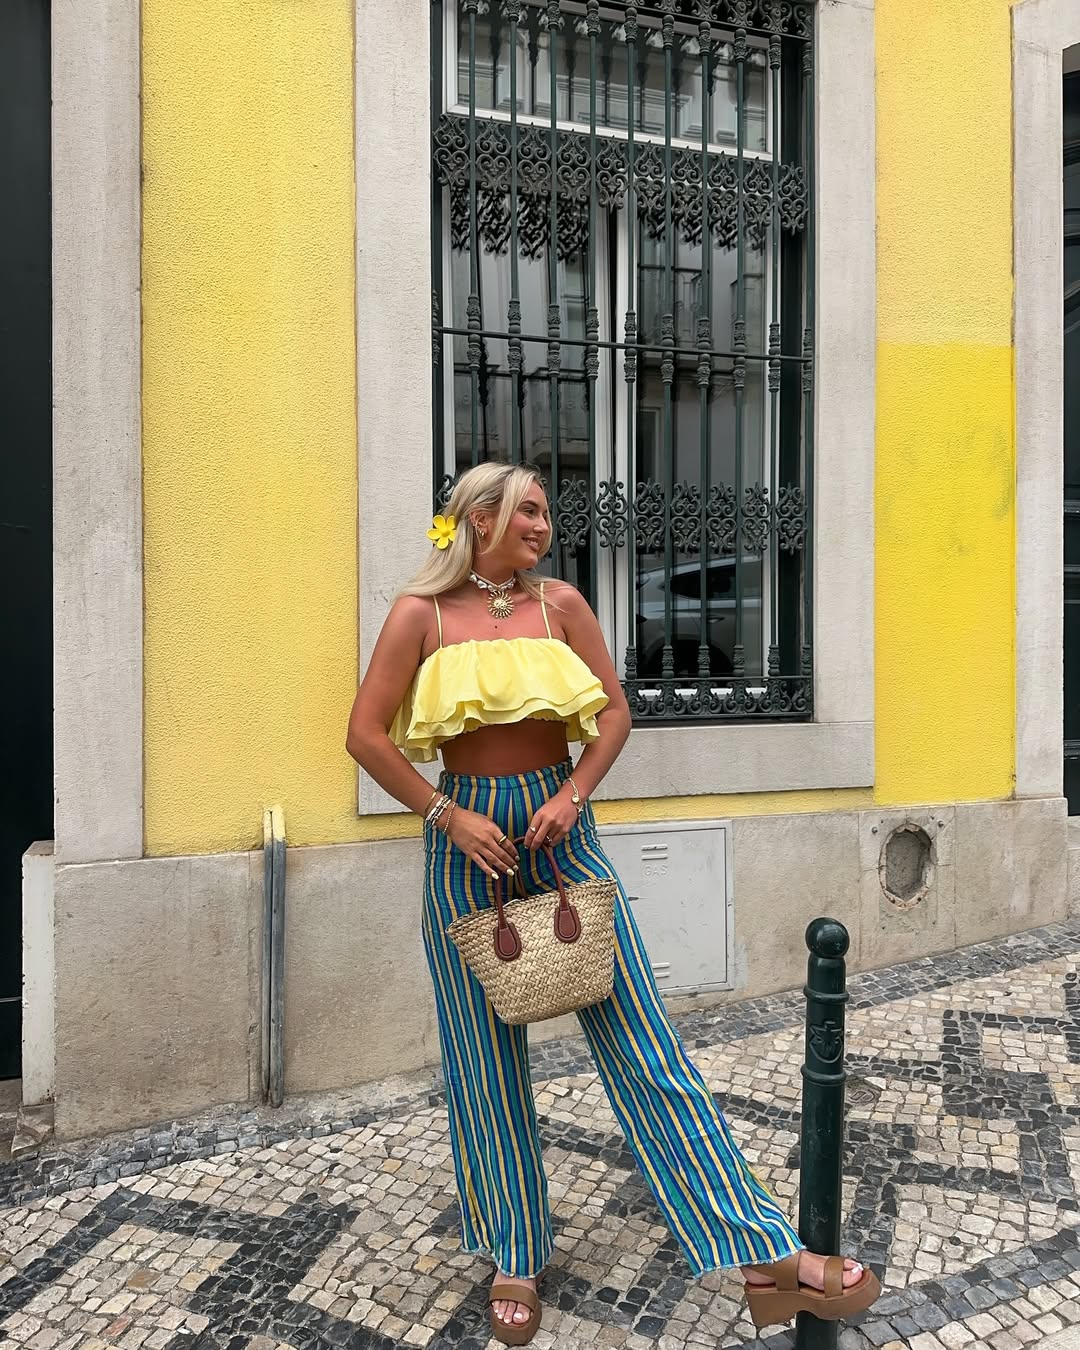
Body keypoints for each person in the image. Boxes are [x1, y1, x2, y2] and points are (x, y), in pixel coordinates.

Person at [346, 461, 880, 1346]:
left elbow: (617, 715)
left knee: (645, 1047)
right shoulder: (421, 615)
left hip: (564, 837)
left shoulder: (563, 606)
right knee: (484, 1070)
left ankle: (764, 1257)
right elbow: (363, 733)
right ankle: (515, 1252)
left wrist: (573, 796)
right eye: (526, 510)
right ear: (478, 519)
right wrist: (447, 814)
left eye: (546, 512)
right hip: (464, 850)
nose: (542, 525)